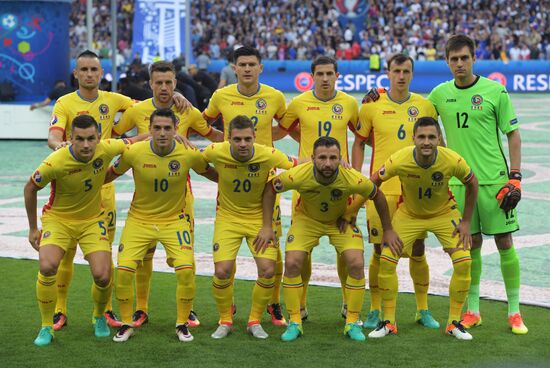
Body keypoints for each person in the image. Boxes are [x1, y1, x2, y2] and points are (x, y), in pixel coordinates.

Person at [47, 50, 191, 331]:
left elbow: (147, 106)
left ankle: (105, 310)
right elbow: (54, 134)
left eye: (94, 70)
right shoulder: (64, 103)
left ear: (102, 74)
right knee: (65, 253)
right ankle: (59, 310)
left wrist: (175, 97)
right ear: (76, 74)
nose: (89, 74)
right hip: (72, 186)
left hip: (103, 189)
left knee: (104, 253)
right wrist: (59, 146)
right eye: (84, 69)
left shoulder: (114, 100)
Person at [427, 34, 527, 334]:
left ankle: (514, 312)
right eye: (454, 59)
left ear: (473, 59)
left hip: (495, 182)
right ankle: (473, 310)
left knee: (505, 243)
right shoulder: (439, 94)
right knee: (470, 246)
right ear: (447, 62)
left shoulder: (495, 91)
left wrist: (516, 176)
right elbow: (417, 114)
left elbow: (513, 135)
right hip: (459, 184)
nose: (459, 63)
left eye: (464, 58)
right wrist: (379, 93)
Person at [255, 136, 400, 342]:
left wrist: (388, 229)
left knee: (356, 263)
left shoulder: (350, 177)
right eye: (322, 158)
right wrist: (267, 226)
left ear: (340, 158)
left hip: (339, 221)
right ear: (313, 158)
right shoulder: (299, 174)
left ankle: (351, 321)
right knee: (293, 262)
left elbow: (377, 194)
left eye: (333, 158)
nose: (328, 163)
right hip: (307, 220)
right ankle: (296, 321)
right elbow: (270, 188)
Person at [113, 60, 223, 328]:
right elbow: (112, 137)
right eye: (158, 82)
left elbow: (214, 136)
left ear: (176, 83)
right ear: (150, 84)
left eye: (169, 82)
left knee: (186, 257)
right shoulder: (137, 111)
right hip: (145, 196)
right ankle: (141, 309)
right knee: (144, 255)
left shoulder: (188, 111)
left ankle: (189, 310)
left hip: (180, 198)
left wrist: (250, 142)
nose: (163, 87)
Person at [24, 115, 135, 346]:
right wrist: (33, 228)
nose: (86, 145)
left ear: (98, 138)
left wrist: (168, 136)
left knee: (103, 275)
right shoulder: (56, 161)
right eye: (80, 139)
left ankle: (98, 317)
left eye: (91, 139)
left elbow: (136, 140)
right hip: (58, 220)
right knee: (47, 266)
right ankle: (46, 326)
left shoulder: (106, 148)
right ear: (70, 139)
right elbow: (30, 188)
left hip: (92, 220)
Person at [366, 117, 478, 341]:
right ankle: (388, 321)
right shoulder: (399, 159)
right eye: (422, 137)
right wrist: (387, 227)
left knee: (464, 262)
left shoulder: (451, 159)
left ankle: (453, 323)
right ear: (413, 138)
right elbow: (372, 184)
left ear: (438, 139)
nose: (426, 142)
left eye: (431, 137)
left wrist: (466, 222)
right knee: (386, 260)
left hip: (444, 213)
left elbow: (472, 183)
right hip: (409, 214)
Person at [203, 46, 291, 326]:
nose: (248, 69)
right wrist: (225, 142)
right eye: (242, 64)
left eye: (252, 64)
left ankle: (273, 305)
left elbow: (287, 127)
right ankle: (227, 309)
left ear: (260, 68)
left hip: (265, 178)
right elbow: (203, 123)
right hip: (232, 176)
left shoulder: (274, 97)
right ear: (235, 68)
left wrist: (263, 143)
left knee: (272, 253)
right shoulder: (222, 95)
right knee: (225, 263)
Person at [351, 53, 439, 330]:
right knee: (380, 250)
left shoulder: (424, 106)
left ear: (412, 74)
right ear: (387, 73)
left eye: (406, 71)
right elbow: (359, 142)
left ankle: (422, 308)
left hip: (415, 189)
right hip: (381, 190)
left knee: (418, 248)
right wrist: (356, 177)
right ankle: (376, 308)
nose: (401, 76)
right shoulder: (371, 106)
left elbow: (437, 143)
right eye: (396, 71)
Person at [278, 55, 360, 320]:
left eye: (329, 74)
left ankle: (349, 303)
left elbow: (361, 136)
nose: (325, 79)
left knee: (344, 245)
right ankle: (300, 306)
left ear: (337, 76)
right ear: (313, 76)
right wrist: (304, 150)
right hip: (306, 183)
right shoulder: (300, 102)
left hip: (341, 184)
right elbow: (283, 129)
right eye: (320, 74)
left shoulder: (348, 103)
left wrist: (354, 171)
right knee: (303, 248)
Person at [202, 115, 298, 339]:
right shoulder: (216, 151)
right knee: (222, 271)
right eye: (237, 139)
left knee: (267, 269)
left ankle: (254, 320)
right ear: (229, 139)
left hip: (258, 221)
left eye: (247, 139)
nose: (243, 144)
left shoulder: (268, 154)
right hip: (227, 218)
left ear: (255, 137)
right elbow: (195, 161)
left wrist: (333, 161)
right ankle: (225, 319)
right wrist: (218, 177)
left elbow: (298, 162)